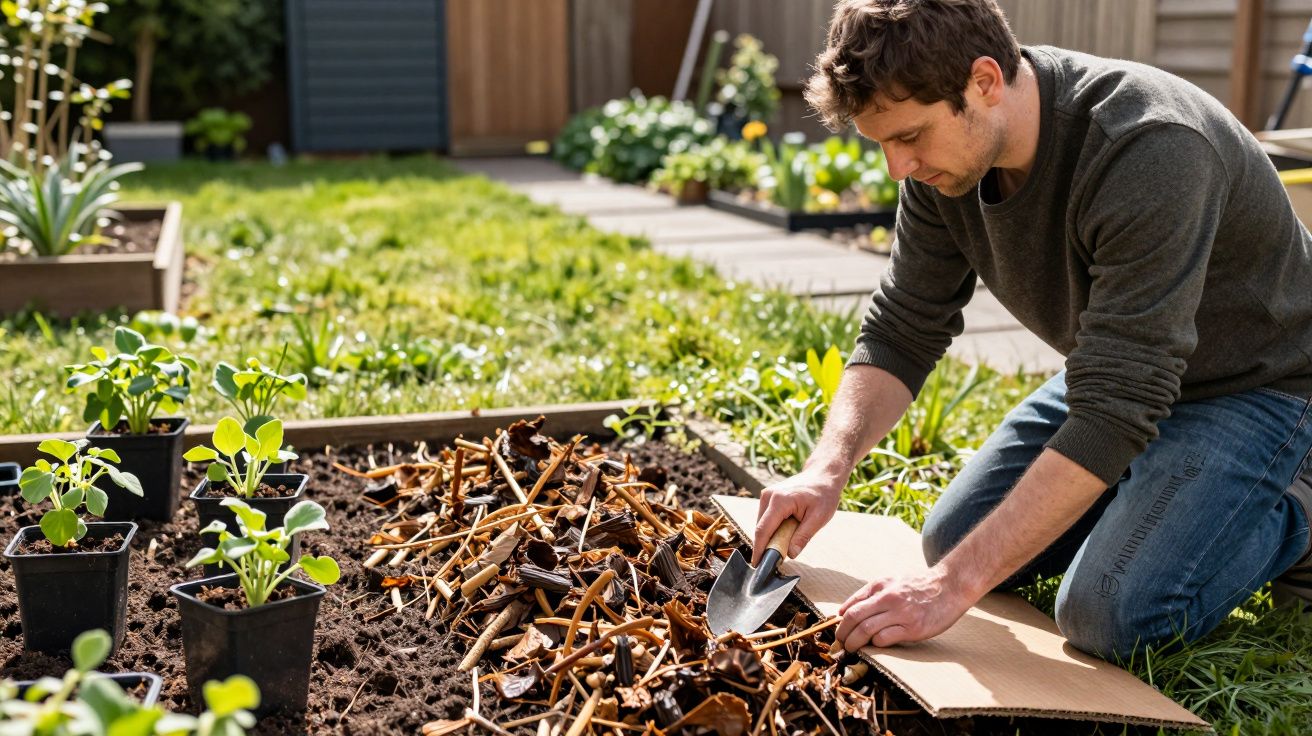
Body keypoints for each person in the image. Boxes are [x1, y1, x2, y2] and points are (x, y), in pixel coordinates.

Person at [752, 0, 1312, 662]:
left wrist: (947, 588)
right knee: (953, 535)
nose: (897, 169)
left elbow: (1115, 411)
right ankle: (1162, 490)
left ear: (984, 82)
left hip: (1264, 387)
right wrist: (827, 469)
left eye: (908, 138)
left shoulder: (1149, 147)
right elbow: (905, 323)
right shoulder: (948, 160)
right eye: (882, 144)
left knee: (1108, 612)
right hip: (1128, 373)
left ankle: (1294, 511)